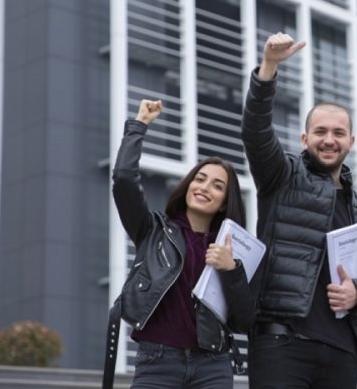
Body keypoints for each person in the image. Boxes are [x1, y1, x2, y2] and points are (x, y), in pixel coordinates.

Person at [241, 32, 357, 388]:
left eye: (339, 133)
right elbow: (255, 132)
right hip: (281, 344)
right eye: (320, 131)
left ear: (351, 142)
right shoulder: (282, 175)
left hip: (342, 352)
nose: (329, 139)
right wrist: (268, 68)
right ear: (304, 139)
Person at [104, 99, 255, 389]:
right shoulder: (152, 230)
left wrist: (232, 269)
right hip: (158, 361)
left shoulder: (234, 249)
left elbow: (245, 321)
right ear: (187, 186)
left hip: (213, 366)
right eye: (200, 179)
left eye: (217, 186)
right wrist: (139, 126)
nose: (205, 188)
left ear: (225, 203)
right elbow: (123, 179)